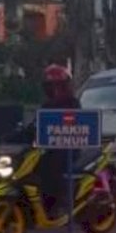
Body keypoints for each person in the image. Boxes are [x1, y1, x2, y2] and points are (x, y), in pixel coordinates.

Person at [38, 64, 81, 218]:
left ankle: (61, 202)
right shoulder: (46, 105)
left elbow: (77, 124)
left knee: (52, 166)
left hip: (68, 149)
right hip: (50, 148)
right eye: (49, 86)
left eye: (56, 85)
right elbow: (36, 126)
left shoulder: (72, 103)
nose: (53, 89)